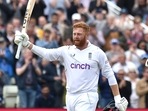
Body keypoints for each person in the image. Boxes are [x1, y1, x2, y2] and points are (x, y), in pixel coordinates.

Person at [14, 22, 128, 111]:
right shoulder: (66, 51)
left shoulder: (97, 53)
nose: (76, 37)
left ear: (86, 35)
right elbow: (47, 54)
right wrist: (27, 44)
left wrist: (117, 97)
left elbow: (110, 75)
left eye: (79, 34)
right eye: (74, 34)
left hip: (87, 96)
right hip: (70, 96)